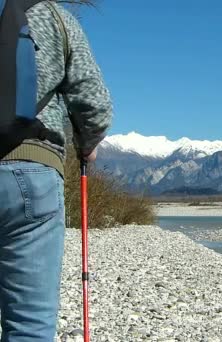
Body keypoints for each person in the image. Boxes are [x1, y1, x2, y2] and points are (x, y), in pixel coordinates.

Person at [0, 0, 112, 340]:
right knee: (29, 323)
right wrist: (87, 144)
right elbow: (94, 105)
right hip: (31, 171)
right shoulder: (54, 18)